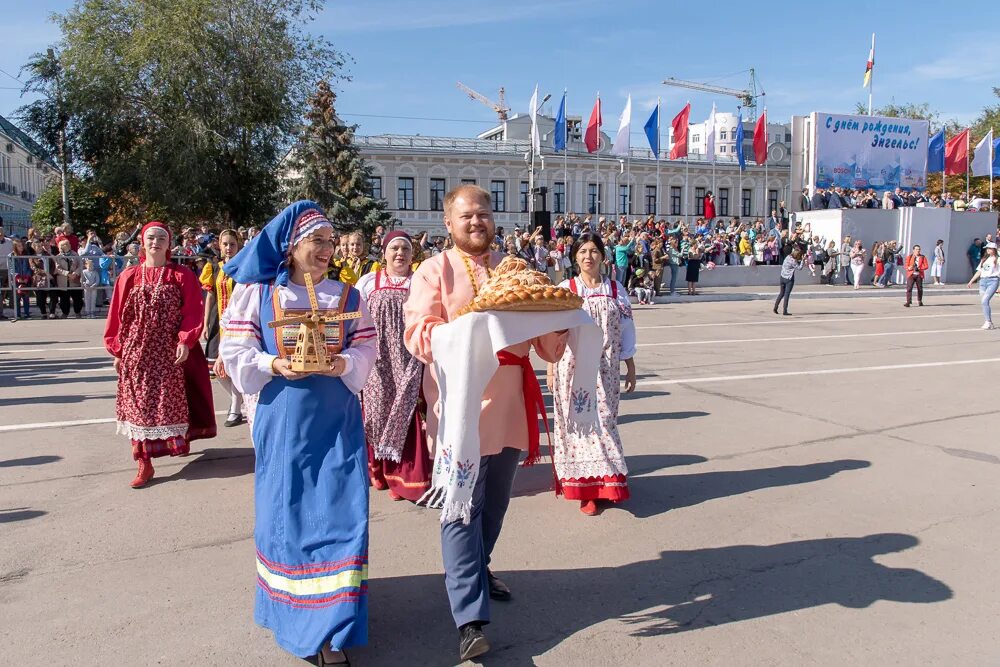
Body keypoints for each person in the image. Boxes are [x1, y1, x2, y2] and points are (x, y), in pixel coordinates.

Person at [403, 184, 569, 662]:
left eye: (483, 214)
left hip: (512, 405)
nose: (476, 222)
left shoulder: (516, 269)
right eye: (466, 216)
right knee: (461, 507)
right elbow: (418, 334)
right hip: (461, 410)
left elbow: (546, 346)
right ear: (448, 225)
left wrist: (560, 320)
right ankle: (469, 618)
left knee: (494, 505)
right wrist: (469, 333)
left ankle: (478, 568)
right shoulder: (432, 271)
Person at [219, 201, 376, 666]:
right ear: (291, 248)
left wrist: (342, 362)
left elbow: (366, 347)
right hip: (284, 417)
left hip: (337, 417)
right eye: (318, 241)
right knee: (288, 515)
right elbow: (235, 349)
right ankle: (296, 616)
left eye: (331, 241)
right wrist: (273, 363)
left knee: (342, 512)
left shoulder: (347, 297)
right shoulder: (260, 294)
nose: (328, 249)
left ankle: (334, 625)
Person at [104, 222, 216, 488]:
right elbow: (117, 316)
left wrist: (186, 341)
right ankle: (144, 462)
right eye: (151, 238)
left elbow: (192, 310)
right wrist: (117, 349)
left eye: (162, 238)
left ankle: (179, 440)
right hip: (136, 351)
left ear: (169, 244)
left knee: (170, 401)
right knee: (138, 406)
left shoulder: (181, 275)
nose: (156, 242)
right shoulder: (128, 276)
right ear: (143, 243)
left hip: (168, 352)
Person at [547, 233, 635, 515]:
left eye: (594, 251)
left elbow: (626, 329)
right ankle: (587, 490)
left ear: (603, 256)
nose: (588, 256)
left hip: (606, 367)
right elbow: (554, 332)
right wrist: (551, 366)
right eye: (583, 251)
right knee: (577, 425)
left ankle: (607, 479)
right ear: (575, 256)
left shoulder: (615, 290)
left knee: (604, 420)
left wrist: (630, 365)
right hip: (572, 368)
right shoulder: (566, 288)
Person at [356, 231, 432, 503]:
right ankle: (379, 471)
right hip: (377, 359)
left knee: (406, 410)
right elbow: (356, 319)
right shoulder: (368, 282)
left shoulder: (420, 282)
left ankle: (404, 478)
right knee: (375, 413)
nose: (400, 253)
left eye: (405, 249)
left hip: (410, 357)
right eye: (395, 249)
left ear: (413, 254)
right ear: (384, 252)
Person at [201, 229, 244, 427]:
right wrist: (205, 322)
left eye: (232, 244)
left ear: (239, 245)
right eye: (225, 244)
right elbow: (210, 295)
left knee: (234, 365)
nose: (228, 248)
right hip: (218, 320)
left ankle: (235, 406)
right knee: (216, 369)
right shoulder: (214, 267)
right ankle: (238, 398)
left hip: (238, 322)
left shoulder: (244, 266)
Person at [967, 242, 1000, 330]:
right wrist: (971, 281)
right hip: (983, 282)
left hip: (993, 281)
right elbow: (979, 271)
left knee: (984, 301)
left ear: (994, 249)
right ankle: (989, 322)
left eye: (990, 248)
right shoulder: (984, 259)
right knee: (984, 302)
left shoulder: (997, 259)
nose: (988, 250)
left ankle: (988, 322)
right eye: (987, 248)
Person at [53, 239, 84, 318]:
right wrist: (67, 274)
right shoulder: (58, 257)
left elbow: (81, 265)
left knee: (77, 298)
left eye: (68, 243)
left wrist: (75, 273)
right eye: (66, 244)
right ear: (61, 247)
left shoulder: (75, 254)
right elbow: (57, 268)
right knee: (64, 299)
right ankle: (65, 313)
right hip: (63, 281)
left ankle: (77, 312)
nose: (68, 245)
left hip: (74, 280)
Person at [773, 247, 804, 316]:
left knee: (781, 293)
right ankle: (785, 310)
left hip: (782, 277)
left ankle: (775, 307)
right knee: (786, 295)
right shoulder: (793, 261)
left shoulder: (788, 257)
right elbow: (799, 268)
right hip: (789, 279)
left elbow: (795, 261)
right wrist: (802, 261)